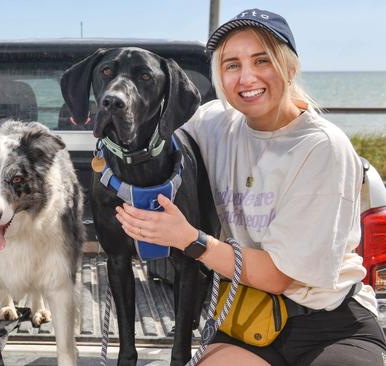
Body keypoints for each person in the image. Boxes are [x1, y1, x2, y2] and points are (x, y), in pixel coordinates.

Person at [115, 8, 386, 366]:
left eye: (262, 60)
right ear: (220, 76)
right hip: (246, 320)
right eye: (232, 65)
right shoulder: (213, 123)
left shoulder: (321, 147)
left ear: (289, 68)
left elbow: (276, 276)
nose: (247, 77)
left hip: (329, 323)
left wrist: (189, 238)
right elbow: (154, 141)